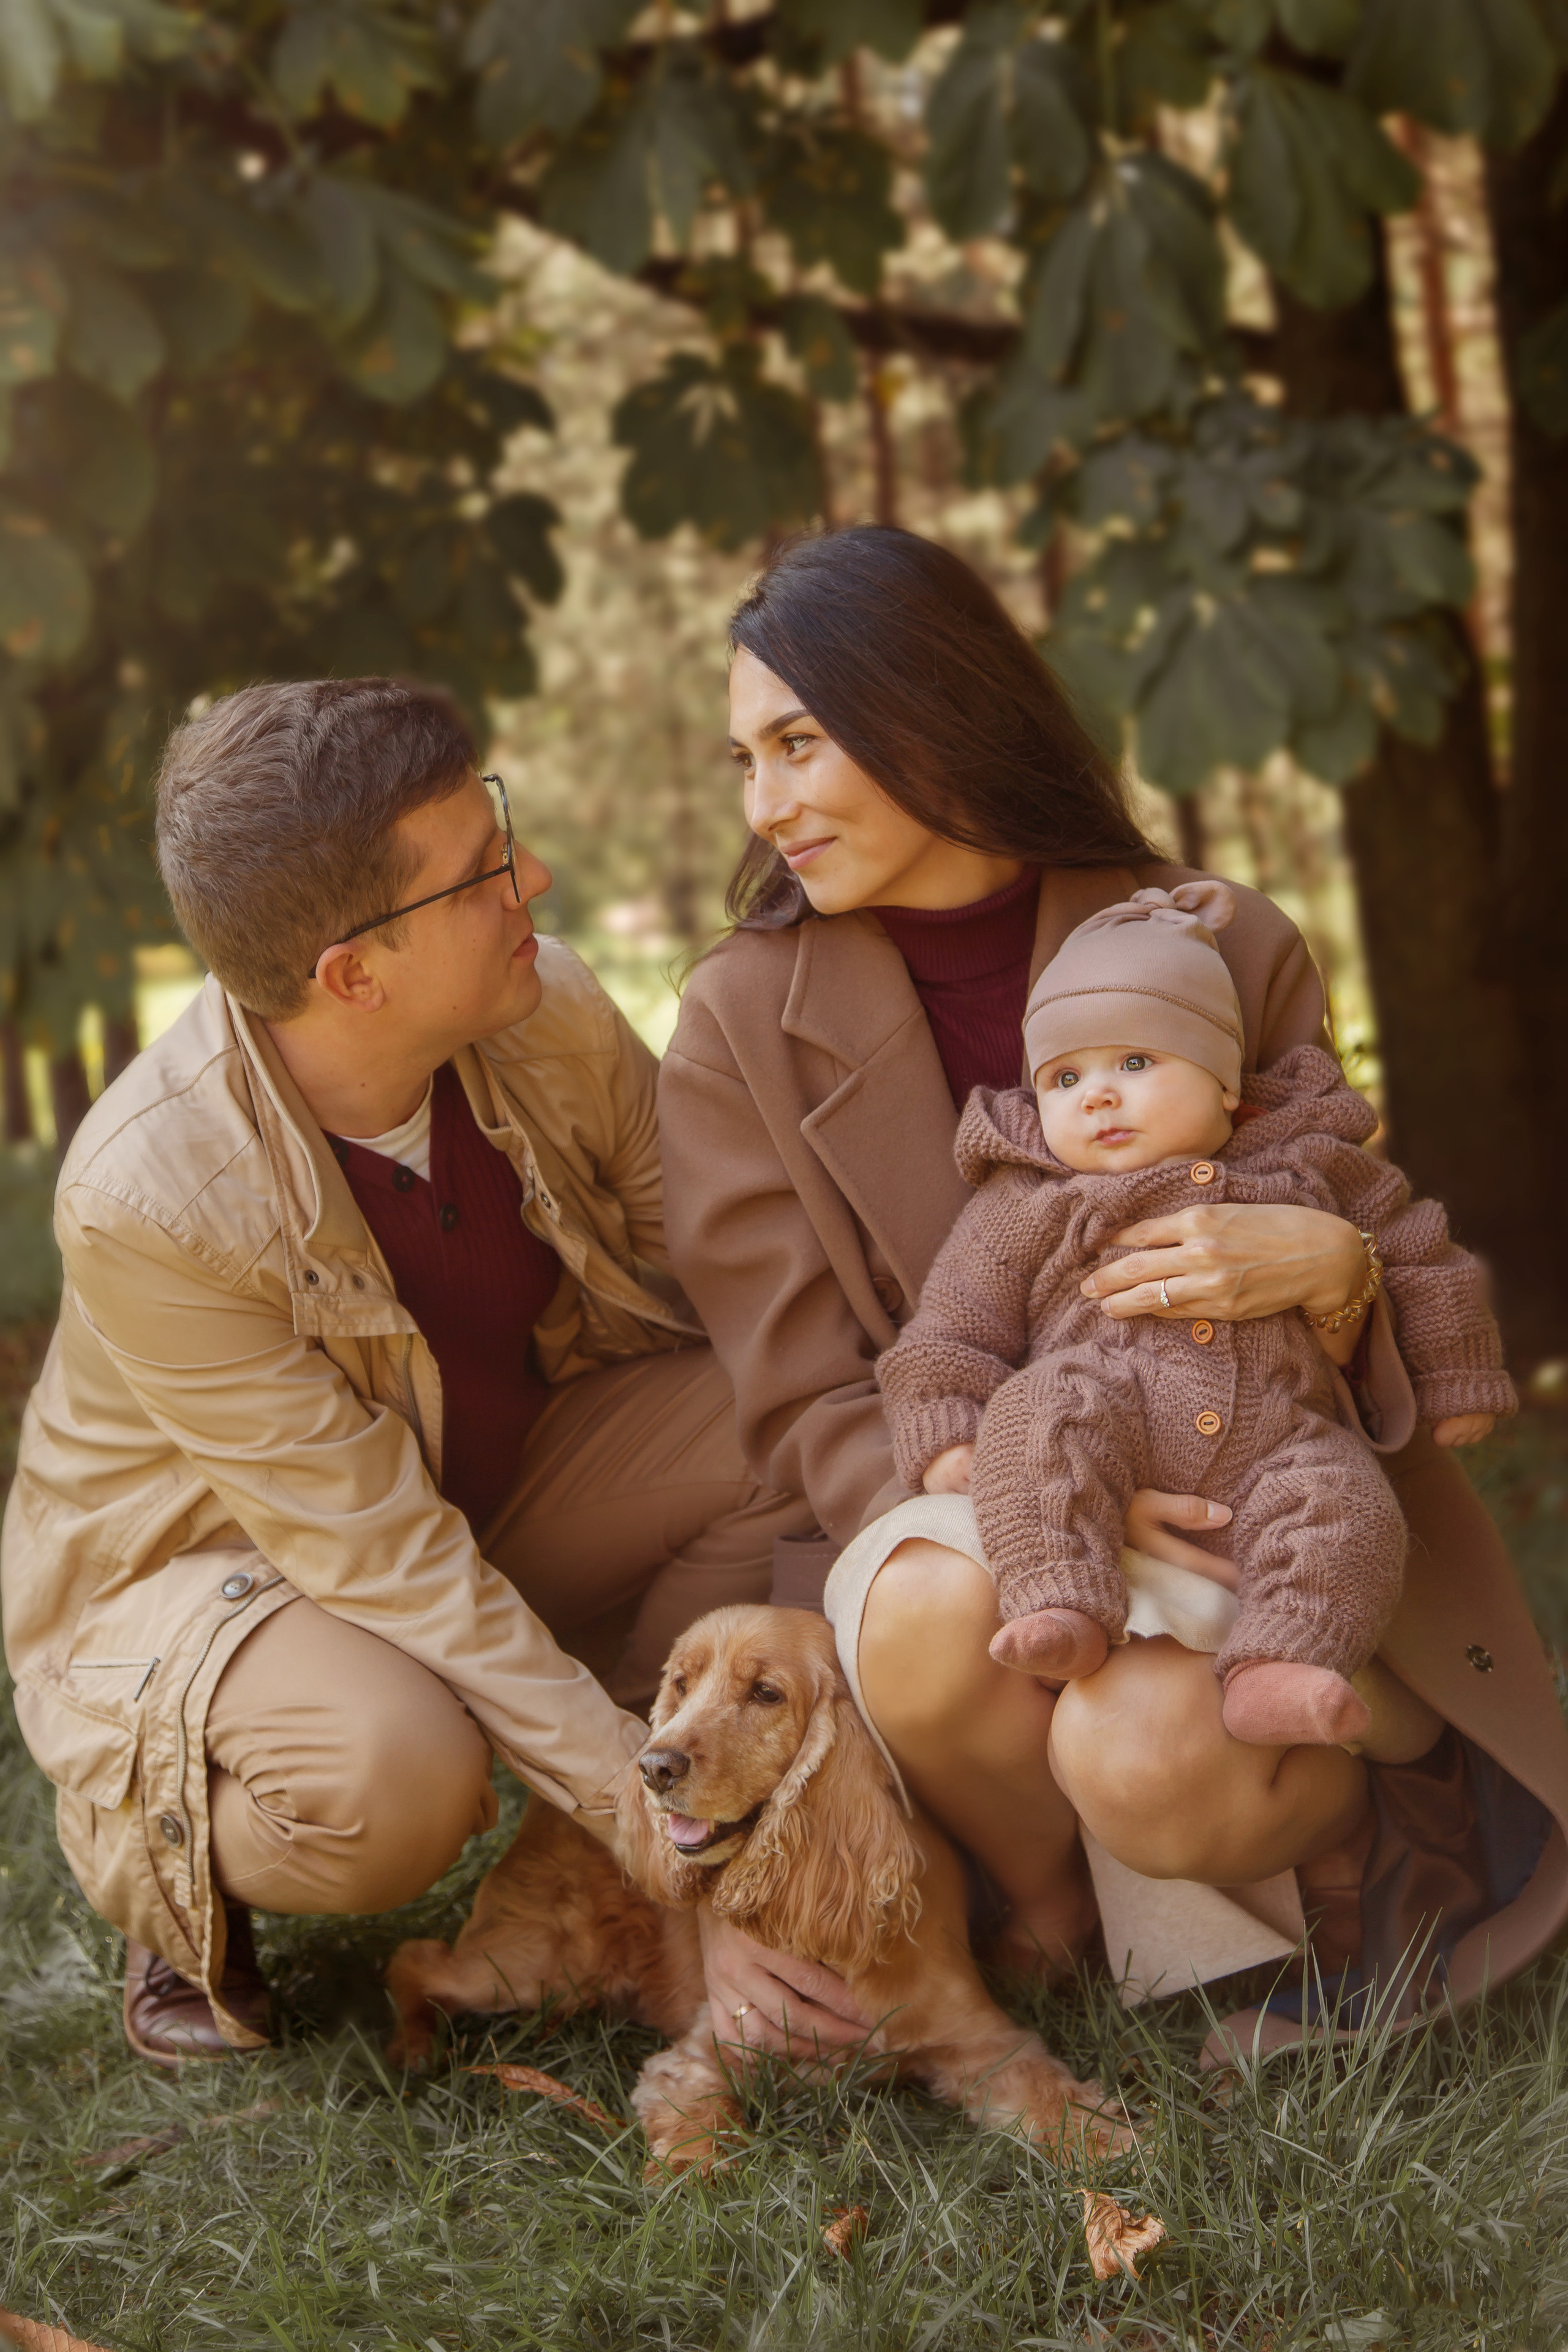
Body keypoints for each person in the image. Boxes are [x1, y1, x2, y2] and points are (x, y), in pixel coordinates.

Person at [657, 525, 1568, 2062]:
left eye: (800, 745)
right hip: (972, 1498)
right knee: (938, 1608)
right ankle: (1052, 1915)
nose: (768, 805)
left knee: (1154, 1756)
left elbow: (1346, 1206)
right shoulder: (737, 1016)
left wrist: (1335, 1281)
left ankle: (1358, 1844)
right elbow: (802, 1390)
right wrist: (1017, 1484)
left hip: (1257, 1473)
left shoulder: (1219, 936)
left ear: (925, 706)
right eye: (746, 760)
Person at [1, 677, 813, 2067]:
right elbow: (382, 1556)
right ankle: (165, 1829)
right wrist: (659, 1820)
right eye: (483, 871)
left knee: (775, 1427)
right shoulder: (148, 1195)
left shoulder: (540, 1004)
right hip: (230, 1576)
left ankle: (616, 1811)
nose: (533, 879)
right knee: (396, 1773)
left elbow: (718, 1277)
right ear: (352, 976)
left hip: (477, 1486)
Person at [877, 880, 1513, 1751]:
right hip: (1103, 1412)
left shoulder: (1311, 1164)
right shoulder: (1029, 1203)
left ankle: (1282, 1666)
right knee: (1035, 1416)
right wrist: (946, 1430)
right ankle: (1060, 1600)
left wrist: (1455, 1371)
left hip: (1282, 1438)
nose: (1098, 1096)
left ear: (1226, 1088)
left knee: (1350, 1511)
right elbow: (952, 1329)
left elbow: (1413, 1245)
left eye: (1136, 1063)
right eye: (1066, 1078)